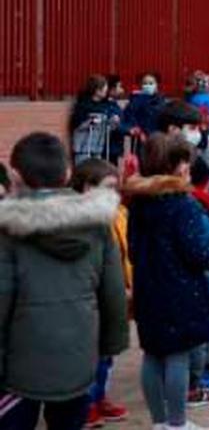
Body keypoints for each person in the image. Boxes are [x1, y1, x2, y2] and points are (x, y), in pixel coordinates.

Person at [0, 134, 128, 430]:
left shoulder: (7, 230)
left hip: (19, 368)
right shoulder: (98, 224)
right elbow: (112, 292)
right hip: (80, 359)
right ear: (68, 173)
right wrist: (110, 344)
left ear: (15, 174)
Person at [125, 133, 209, 430]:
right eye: (186, 164)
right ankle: (177, 423)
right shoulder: (181, 204)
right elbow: (199, 251)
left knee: (152, 354)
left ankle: (159, 422)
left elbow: (134, 249)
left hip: (148, 288)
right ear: (176, 166)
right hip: (181, 290)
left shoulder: (138, 202)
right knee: (178, 355)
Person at [69, 160, 131, 427]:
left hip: (115, 292)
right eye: (107, 188)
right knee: (91, 356)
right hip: (89, 298)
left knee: (107, 354)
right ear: (85, 188)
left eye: (116, 188)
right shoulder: (78, 221)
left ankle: (99, 396)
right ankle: (87, 402)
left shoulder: (118, 214)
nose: (114, 194)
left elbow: (124, 253)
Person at [70, 74, 124, 165]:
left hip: (98, 147)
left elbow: (106, 128)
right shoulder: (83, 106)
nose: (106, 91)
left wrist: (113, 122)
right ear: (97, 90)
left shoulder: (104, 107)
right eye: (104, 88)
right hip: (83, 148)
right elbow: (76, 126)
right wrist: (90, 122)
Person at [121, 72, 166, 154]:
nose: (148, 85)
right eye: (145, 83)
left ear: (157, 85)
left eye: (151, 83)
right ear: (140, 85)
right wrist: (137, 131)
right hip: (139, 141)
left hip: (158, 140)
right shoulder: (135, 101)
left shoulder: (161, 102)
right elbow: (128, 119)